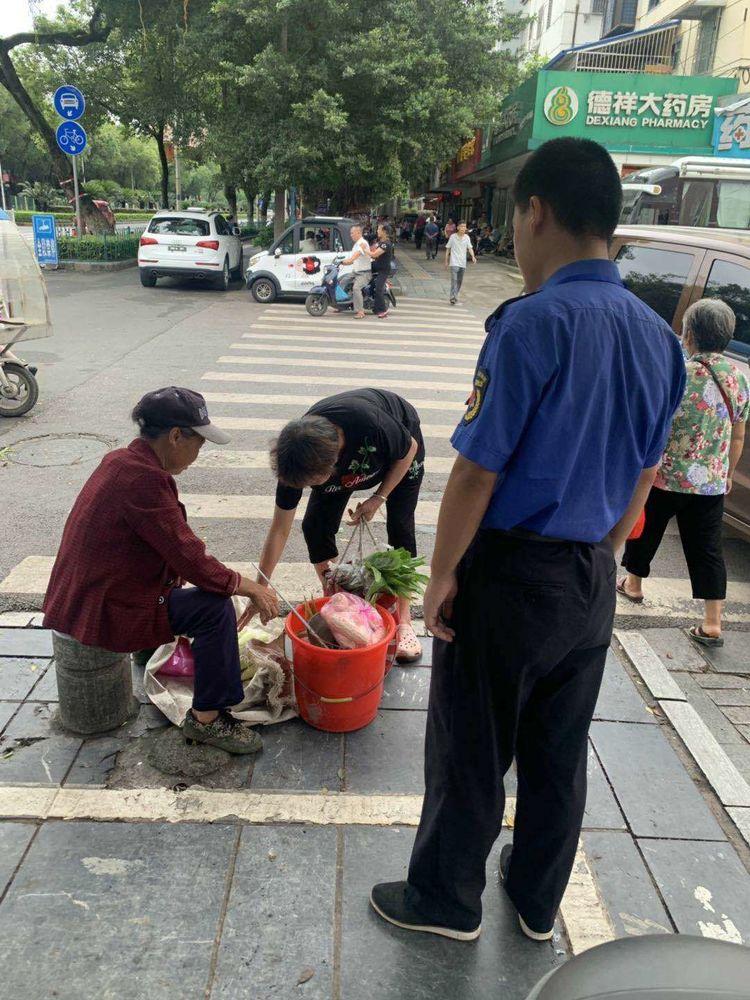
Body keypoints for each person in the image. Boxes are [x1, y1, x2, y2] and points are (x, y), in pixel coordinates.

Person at [369, 137, 686, 943]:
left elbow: (477, 472)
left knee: (472, 742)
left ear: (536, 210)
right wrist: (606, 553)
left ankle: (445, 900)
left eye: (516, 216)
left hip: (512, 573)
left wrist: (441, 577)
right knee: (558, 748)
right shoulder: (659, 339)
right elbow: (647, 472)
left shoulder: (531, 325)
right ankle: (537, 900)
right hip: (588, 579)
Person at [43, 387, 279, 753]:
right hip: (103, 607)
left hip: (89, 592)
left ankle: (145, 650)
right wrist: (251, 587)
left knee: (193, 587)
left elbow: (168, 543)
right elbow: (191, 558)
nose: (198, 454)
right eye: (198, 443)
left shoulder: (121, 461)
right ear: (174, 436)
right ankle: (208, 720)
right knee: (215, 609)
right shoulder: (145, 480)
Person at [258, 388, 425, 662]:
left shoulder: (372, 425)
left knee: (400, 527)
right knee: (315, 526)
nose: (309, 489)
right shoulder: (297, 457)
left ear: (334, 463)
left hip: (399, 453)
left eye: (313, 483)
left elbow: (409, 450)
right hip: (338, 464)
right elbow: (279, 529)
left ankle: (404, 621)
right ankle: (338, 601)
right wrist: (260, 588)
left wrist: (378, 497)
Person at [619, 299, 749, 646]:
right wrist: (726, 474)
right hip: (709, 484)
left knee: (647, 532)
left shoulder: (677, 371)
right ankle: (712, 622)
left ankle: (633, 584)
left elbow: (655, 419)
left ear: (688, 334)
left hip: (665, 476)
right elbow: (738, 433)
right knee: (707, 548)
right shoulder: (738, 379)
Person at [341, 224, 372, 319]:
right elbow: (352, 260)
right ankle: (341, 305)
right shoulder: (356, 244)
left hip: (364, 273)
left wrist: (346, 262)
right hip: (356, 272)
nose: (351, 235)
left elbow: (354, 257)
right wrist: (342, 262)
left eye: (352, 233)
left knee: (356, 288)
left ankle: (360, 311)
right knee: (342, 281)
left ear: (358, 233)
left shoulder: (363, 243)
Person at [445, 220, 476, 305]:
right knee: (454, 280)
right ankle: (453, 297)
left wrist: (473, 256)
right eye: (461, 226)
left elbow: (470, 248)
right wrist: (446, 261)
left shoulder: (467, 237)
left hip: (462, 262)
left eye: (464, 226)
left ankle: (455, 295)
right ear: (458, 227)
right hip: (454, 262)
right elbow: (448, 248)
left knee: (459, 281)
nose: (463, 228)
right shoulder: (453, 237)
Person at [369, 222, 394, 319]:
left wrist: (365, 250)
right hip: (376, 266)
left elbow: (374, 254)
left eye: (379, 229)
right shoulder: (380, 243)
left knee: (378, 288)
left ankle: (383, 310)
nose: (377, 231)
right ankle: (374, 307)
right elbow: (372, 249)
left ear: (384, 232)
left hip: (383, 270)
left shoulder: (386, 244)